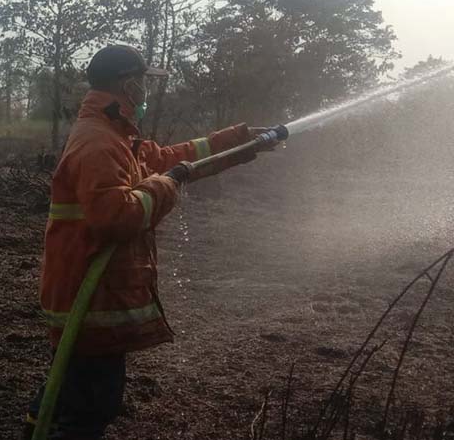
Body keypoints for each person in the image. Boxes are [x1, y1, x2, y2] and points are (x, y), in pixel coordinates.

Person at [21, 44, 275, 440]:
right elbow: (116, 216)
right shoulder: (99, 142)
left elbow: (175, 158)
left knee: (67, 392)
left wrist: (240, 143)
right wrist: (166, 184)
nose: (146, 92)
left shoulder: (114, 135)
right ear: (129, 85)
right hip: (89, 300)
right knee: (89, 405)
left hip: (91, 297)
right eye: (142, 83)